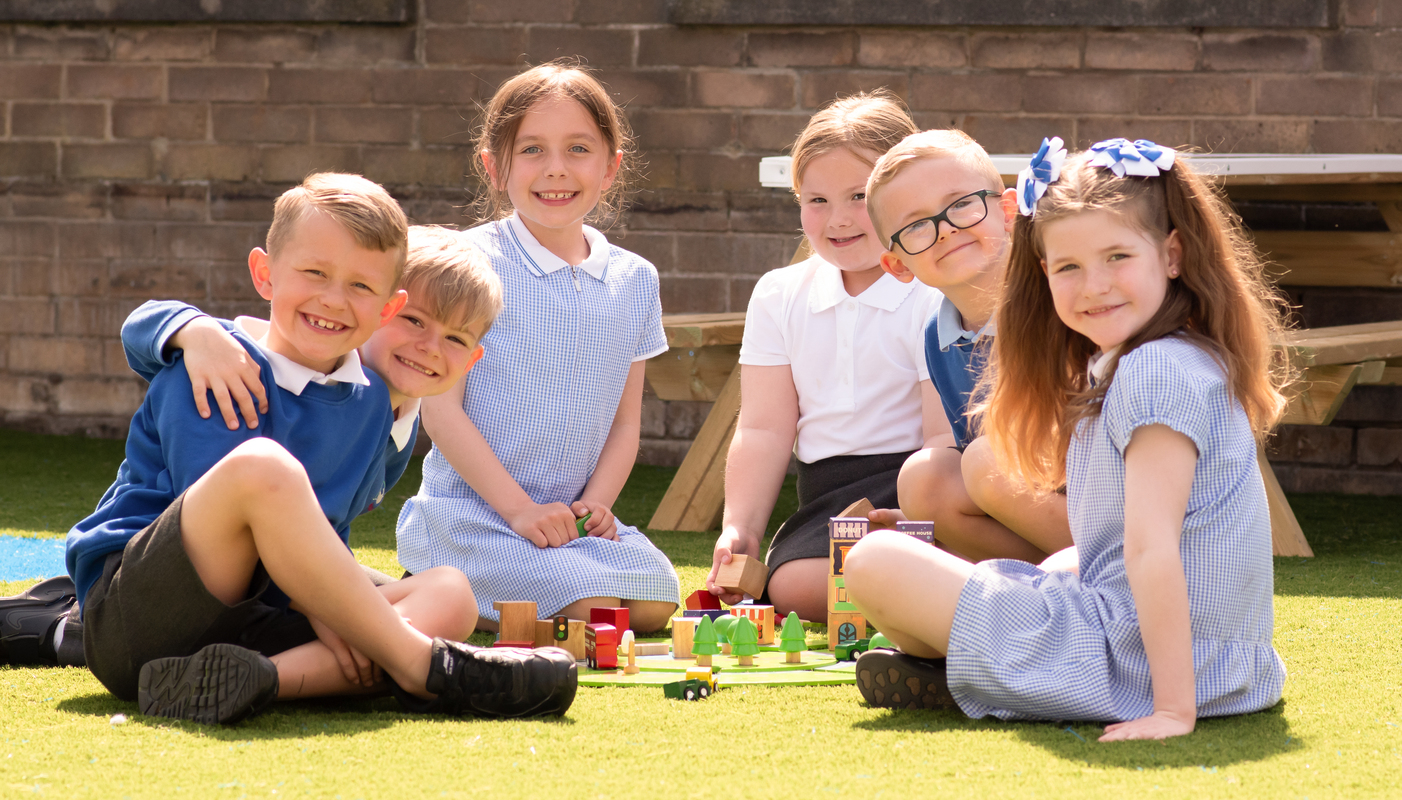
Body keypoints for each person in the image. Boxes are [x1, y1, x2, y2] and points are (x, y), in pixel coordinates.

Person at [65, 174, 577, 724]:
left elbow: (326, 535)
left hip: (256, 626)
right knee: (264, 468)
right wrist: (189, 328)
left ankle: (263, 680)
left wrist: (337, 613)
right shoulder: (216, 363)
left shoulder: (370, 404)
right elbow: (224, 509)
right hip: (139, 622)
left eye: (360, 286)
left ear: (384, 307)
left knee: (451, 593)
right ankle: (424, 668)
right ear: (265, 274)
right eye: (315, 273)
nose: (334, 299)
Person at [845, 138, 1291, 741]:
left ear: (1172, 255)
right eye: (1069, 268)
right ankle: (984, 672)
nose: (1094, 286)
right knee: (1048, 566)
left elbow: (1151, 549)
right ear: (1044, 274)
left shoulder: (1152, 371)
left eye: (1117, 257)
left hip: (1147, 667)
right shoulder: (1156, 358)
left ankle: (995, 679)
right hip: (1217, 663)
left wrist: (1172, 711)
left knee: (872, 563)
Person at [395, 60, 680, 633]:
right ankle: (438, 588)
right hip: (474, 516)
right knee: (592, 611)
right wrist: (520, 511)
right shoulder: (469, 265)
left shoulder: (635, 279)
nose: (556, 169)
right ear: (494, 166)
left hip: (568, 527)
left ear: (610, 166)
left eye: (578, 149)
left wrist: (596, 506)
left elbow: (626, 422)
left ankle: (480, 595)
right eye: (531, 150)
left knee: (656, 600)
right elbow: (442, 413)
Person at [703, 92, 945, 623]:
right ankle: (924, 592)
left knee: (877, 570)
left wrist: (916, 517)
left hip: (920, 484)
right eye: (816, 200)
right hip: (829, 494)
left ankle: (941, 587)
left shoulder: (935, 292)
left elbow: (941, 439)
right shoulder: (779, 294)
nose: (838, 219)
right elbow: (764, 428)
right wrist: (740, 527)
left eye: (859, 196)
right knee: (793, 588)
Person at [867, 130, 1072, 562]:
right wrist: (926, 522)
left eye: (961, 204)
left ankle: (1114, 572)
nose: (945, 230)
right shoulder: (938, 339)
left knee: (984, 460)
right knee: (924, 480)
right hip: (1035, 507)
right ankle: (1038, 583)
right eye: (916, 225)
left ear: (1008, 211)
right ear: (898, 265)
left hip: (1113, 503)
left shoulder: (1062, 300)